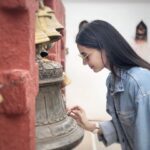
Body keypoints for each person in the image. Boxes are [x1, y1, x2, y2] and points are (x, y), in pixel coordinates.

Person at [67, 20, 150, 150]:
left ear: (104, 46)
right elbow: (124, 131)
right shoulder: (112, 81)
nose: (84, 63)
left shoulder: (140, 82)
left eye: (86, 56)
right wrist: (89, 125)